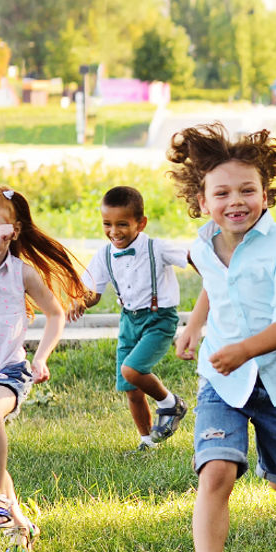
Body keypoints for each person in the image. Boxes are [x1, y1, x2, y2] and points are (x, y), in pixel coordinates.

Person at [167, 123, 276, 552]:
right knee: (215, 474)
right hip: (221, 381)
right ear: (201, 198)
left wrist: (242, 350)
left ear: (266, 193)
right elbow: (218, 283)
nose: (236, 201)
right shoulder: (204, 242)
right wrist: (194, 326)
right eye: (223, 192)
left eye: (248, 190)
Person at [0, 186, 89, 552]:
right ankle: (20, 525)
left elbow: (55, 314)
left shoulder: (22, 273)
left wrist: (41, 357)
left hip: (7, 370)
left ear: (13, 231)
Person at [71, 186, 189, 453]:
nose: (114, 231)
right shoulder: (104, 254)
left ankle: (171, 403)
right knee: (131, 389)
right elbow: (92, 293)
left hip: (159, 320)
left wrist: (209, 270)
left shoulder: (155, 248)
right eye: (107, 224)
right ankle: (147, 441)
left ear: (141, 223)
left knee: (132, 370)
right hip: (129, 322)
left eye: (122, 224)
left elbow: (190, 257)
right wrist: (79, 302)